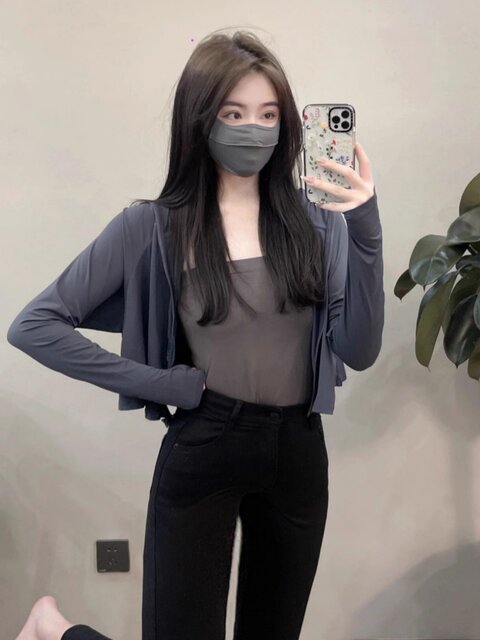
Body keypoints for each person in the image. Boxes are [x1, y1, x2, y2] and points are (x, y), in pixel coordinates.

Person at [10, 28, 384, 640]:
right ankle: (54, 631)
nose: (253, 129)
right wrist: (163, 384)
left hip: (298, 453)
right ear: (200, 118)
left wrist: (365, 227)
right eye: (233, 114)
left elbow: (360, 351)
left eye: (268, 115)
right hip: (206, 443)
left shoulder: (317, 222)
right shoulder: (154, 226)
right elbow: (34, 326)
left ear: (287, 124)